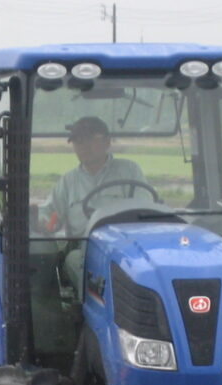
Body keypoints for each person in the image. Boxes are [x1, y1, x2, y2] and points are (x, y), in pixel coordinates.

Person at [37, 116, 150, 295]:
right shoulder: (68, 182)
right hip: (85, 250)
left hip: (125, 249)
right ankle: (91, 310)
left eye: (91, 139)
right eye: (78, 141)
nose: (84, 146)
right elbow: (48, 211)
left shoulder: (129, 171)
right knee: (74, 261)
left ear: (107, 142)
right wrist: (44, 221)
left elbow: (145, 208)